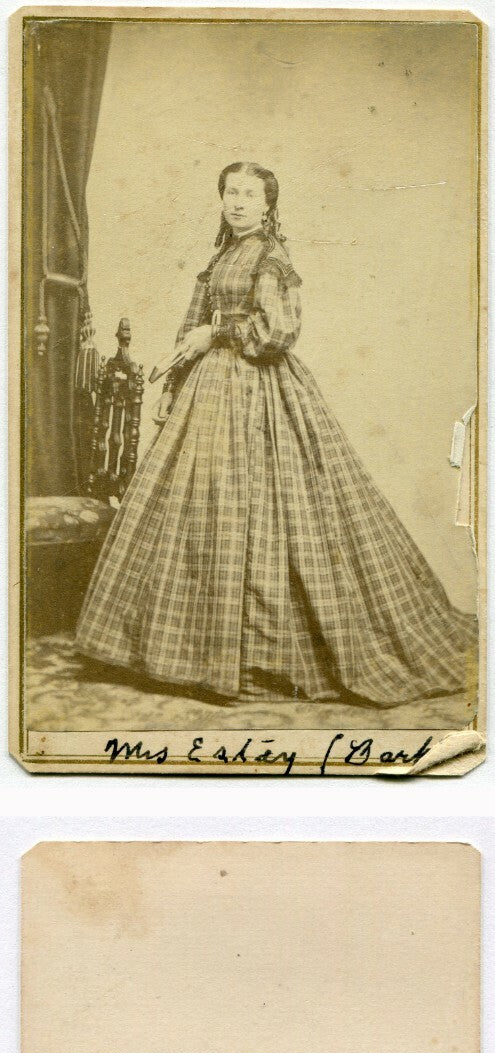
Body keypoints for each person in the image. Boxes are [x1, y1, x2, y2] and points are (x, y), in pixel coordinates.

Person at [76, 161, 477, 706]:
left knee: (269, 507)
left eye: (249, 195)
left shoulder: (271, 257)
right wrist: (174, 380)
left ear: (268, 205)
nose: (238, 202)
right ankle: (183, 652)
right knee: (199, 507)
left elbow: (278, 332)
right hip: (208, 390)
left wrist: (212, 333)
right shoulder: (221, 256)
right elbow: (191, 325)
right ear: (222, 200)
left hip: (258, 389)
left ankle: (264, 659)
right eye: (231, 193)